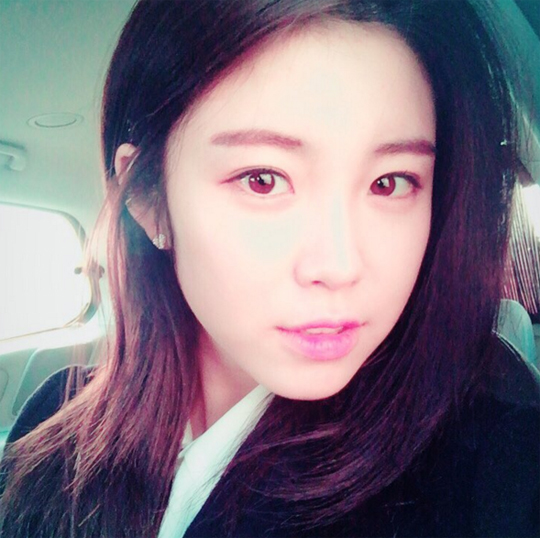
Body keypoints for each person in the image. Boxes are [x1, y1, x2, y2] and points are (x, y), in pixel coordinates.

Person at [1, 0, 539, 536]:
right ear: (149, 198)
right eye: (263, 180)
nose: (340, 266)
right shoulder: (53, 419)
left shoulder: (493, 463)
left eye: (390, 182)